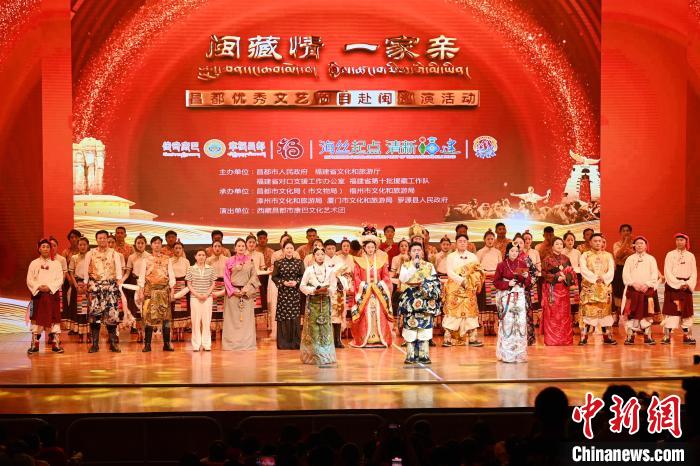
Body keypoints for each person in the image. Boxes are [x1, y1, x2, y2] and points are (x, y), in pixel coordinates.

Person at [398, 242, 442, 364]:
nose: (416, 252)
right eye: (414, 250)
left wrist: (426, 287)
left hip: (425, 298)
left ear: (422, 252)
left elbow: (435, 281)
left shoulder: (429, 266)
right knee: (410, 325)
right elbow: (403, 279)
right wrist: (414, 266)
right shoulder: (405, 265)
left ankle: (424, 354)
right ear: (410, 253)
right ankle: (410, 355)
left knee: (425, 325)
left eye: (418, 250)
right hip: (410, 298)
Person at [350, 226, 393, 348]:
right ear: (364, 248)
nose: (370, 249)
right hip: (365, 293)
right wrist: (366, 286)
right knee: (365, 313)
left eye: (372, 247)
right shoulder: (358, 261)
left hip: (378, 292)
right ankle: (366, 338)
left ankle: (380, 338)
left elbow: (386, 277)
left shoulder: (382, 260)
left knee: (378, 313)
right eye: (368, 247)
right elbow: (356, 278)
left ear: (375, 248)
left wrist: (378, 286)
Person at [85, 230, 124, 353]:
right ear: (96, 240)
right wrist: (86, 284)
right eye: (99, 238)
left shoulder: (114, 253)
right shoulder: (90, 253)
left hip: (110, 287)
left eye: (104, 238)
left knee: (112, 316)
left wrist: (119, 284)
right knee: (94, 316)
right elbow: (86, 270)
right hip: (95, 287)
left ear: (107, 239)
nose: (102, 240)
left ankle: (113, 343)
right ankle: (95, 344)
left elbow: (119, 271)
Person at [443, 234, 485, 347]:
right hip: (454, 288)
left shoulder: (473, 257)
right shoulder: (451, 256)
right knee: (453, 312)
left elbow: (478, 271)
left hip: (469, 288)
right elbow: (449, 272)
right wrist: (461, 281)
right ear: (456, 243)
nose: (462, 243)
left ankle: (472, 337)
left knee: (470, 312)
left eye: (464, 241)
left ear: (467, 243)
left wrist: (471, 280)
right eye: (460, 241)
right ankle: (448, 337)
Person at [494, 243, 531, 363]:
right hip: (507, 295)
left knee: (520, 322)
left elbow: (528, 284)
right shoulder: (501, 265)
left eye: (516, 251)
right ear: (507, 252)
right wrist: (507, 284)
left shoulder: (523, 264)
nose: (514, 253)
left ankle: (520, 354)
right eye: (512, 251)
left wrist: (526, 276)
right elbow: (496, 282)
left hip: (519, 295)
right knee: (508, 322)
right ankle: (507, 354)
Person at [300, 246, 337, 365]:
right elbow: (302, 286)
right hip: (313, 302)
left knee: (325, 328)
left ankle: (326, 355)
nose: (320, 256)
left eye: (322, 254)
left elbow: (334, 286)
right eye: (318, 254)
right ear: (314, 256)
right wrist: (313, 290)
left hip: (325, 302)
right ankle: (313, 355)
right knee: (314, 328)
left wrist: (327, 290)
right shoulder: (309, 270)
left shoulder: (330, 270)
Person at [26, 239, 65, 353]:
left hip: (52, 295)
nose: (45, 249)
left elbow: (60, 279)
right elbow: (29, 279)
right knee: (35, 319)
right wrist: (38, 287)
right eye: (43, 246)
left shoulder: (56, 263)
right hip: (37, 295)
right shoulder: (33, 263)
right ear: (39, 249)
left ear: (50, 249)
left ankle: (55, 344)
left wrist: (49, 287)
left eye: (48, 247)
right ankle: (34, 344)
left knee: (54, 319)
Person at [138, 236, 176, 352]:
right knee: (148, 317)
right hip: (150, 291)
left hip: (164, 291)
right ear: (151, 245)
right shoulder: (146, 260)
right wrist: (141, 291)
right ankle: (147, 344)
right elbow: (141, 277)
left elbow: (171, 275)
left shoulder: (167, 259)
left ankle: (167, 344)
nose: (157, 245)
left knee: (166, 318)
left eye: (159, 243)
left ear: (161, 245)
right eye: (155, 243)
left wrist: (172, 290)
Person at [222, 238, 260, 351]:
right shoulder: (229, 261)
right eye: (239, 246)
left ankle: (247, 343)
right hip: (233, 294)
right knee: (231, 320)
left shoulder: (250, 261)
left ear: (245, 248)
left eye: (243, 246)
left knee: (246, 320)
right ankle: (231, 344)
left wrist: (245, 290)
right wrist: (233, 290)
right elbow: (226, 278)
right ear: (235, 248)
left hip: (246, 294)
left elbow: (254, 277)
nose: (241, 248)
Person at [579, 233, 617, 345]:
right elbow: (583, 269)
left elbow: (611, 270)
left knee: (605, 313)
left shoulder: (608, 255)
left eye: (600, 241)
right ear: (590, 242)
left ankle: (607, 336)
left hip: (604, 288)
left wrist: (604, 278)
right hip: (590, 288)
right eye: (595, 241)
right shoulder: (585, 255)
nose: (598, 243)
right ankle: (584, 336)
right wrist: (595, 278)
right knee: (588, 312)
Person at [621, 236, 659, 345]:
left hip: (647, 291)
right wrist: (633, 283)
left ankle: (648, 336)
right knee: (631, 313)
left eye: (641, 243)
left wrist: (647, 284)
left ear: (646, 246)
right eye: (637, 243)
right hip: (633, 290)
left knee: (647, 313)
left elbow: (654, 274)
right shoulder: (630, 259)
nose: (639, 245)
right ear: (634, 246)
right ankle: (630, 337)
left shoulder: (651, 259)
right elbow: (625, 274)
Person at [661, 233, 697, 345]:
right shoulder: (670, 254)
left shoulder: (690, 256)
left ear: (686, 242)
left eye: (681, 240)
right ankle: (667, 336)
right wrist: (678, 284)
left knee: (686, 312)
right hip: (673, 286)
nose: (679, 242)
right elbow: (667, 271)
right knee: (671, 311)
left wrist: (688, 284)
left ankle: (687, 336)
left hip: (686, 288)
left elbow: (694, 272)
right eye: (677, 240)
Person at [541, 237, 576, 345]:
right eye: (557, 244)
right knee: (552, 314)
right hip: (552, 289)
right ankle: (552, 340)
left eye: (561, 244)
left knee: (564, 314)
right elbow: (544, 274)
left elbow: (572, 273)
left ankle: (565, 339)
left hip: (564, 290)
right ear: (552, 246)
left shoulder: (566, 259)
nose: (559, 246)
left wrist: (566, 277)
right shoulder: (547, 259)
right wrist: (557, 278)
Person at [271, 240, 305, 349]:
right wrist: (283, 282)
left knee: (294, 316)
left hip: (295, 294)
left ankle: (295, 343)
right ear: (283, 250)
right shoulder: (278, 263)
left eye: (291, 248)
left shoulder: (299, 262)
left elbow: (303, 276)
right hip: (283, 293)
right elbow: (274, 277)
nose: (289, 250)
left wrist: (296, 282)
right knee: (283, 316)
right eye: (287, 248)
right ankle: (283, 343)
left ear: (294, 250)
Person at [186, 249, 216, 351]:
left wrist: (206, 294)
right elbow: (189, 284)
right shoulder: (191, 268)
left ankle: (207, 344)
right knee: (195, 322)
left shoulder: (211, 269)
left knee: (207, 321)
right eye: (199, 255)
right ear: (195, 257)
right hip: (195, 298)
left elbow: (213, 283)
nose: (201, 257)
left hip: (208, 298)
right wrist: (197, 295)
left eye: (203, 255)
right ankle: (196, 345)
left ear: (206, 257)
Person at [124, 234, 150, 342]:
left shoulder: (149, 256)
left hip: (146, 283)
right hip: (134, 283)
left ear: (145, 244)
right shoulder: (131, 257)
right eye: (138, 243)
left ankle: (146, 333)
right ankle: (138, 332)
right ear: (135, 244)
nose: (140, 245)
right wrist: (121, 280)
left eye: (142, 243)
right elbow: (127, 273)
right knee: (136, 309)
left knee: (145, 308)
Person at [323, 239, 349, 348]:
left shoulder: (340, 260)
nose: (331, 250)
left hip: (338, 292)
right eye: (328, 248)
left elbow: (347, 275)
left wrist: (339, 279)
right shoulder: (321, 259)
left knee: (338, 315)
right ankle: (326, 340)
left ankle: (337, 340)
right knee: (326, 315)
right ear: (324, 249)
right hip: (326, 292)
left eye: (333, 248)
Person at [476, 229, 502, 336]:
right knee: (485, 304)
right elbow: (476, 267)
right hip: (484, 280)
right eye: (488, 239)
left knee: (493, 305)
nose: (490, 241)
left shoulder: (498, 252)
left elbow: (500, 267)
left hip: (494, 281)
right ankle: (486, 327)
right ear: (484, 240)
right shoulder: (480, 252)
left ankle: (492, 327)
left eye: (492, 239)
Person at [68, 236, 91, 342]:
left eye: (84, 245)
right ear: (78, 246)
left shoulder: (91, 257)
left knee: (89, 310)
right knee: (80, 310)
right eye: (80, 245)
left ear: (88, 246)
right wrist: (76, 285)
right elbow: (71, 272)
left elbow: (93, 272)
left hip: (89, 285)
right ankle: (80, 334)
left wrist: (87, 284)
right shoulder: (74, 258)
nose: (82, 247)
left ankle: (90, 334)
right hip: (78, 285)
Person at [206, 240, 228, 340]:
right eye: (215, 246)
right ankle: (213, 332)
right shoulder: (208, 260)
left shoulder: (227, 259)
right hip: (213, 285)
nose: (217, 248)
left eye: (219, 246)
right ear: (212, 248)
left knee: (224, 309)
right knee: (213, 309)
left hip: (224, 285)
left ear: (222, 248)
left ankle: (224, 332)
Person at [61, 229, 81, 334]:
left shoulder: (83, 250)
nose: (74, 239)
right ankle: (71, 326)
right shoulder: (65, 252)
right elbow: (64, 268)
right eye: (71, 237)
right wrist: (70, 280)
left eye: (76, 237)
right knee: (70, 303)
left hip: (80, 280)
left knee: (81, 304)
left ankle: (81, 326)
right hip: (68, 280)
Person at [612, 224, 634, 320]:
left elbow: (634, 255)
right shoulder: (616, 244)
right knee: (618, 292)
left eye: (627, 230)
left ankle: (630, 314)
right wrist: (625, 243)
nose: (626, 232)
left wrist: (626, 252)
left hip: (632, 270)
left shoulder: (635, 244)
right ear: (620, 233)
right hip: (620, 269)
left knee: (631, 291)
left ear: (630, 232)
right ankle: (617, 315)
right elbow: (617, 255)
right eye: (623, 231)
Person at [170, 241, 191, 342]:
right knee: (172, 310)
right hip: (172, 286)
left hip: (183, 286)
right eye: (176, 248)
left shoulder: (186, 261)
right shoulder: (169, 261)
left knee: (183, 310)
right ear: (173, 249)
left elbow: (189, 275)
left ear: (182, 250)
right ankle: (174, 332)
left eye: (180, 248)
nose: (178, 250)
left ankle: (181, 332)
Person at [562, 232, 582, 323]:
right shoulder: (561, 252)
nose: (570, 242)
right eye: (568, 240)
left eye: (572, 240)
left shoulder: (577, 252)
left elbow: (580, 265)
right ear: (564, 241)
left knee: (576, 297)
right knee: (567, 298)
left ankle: (576, 318)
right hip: (565, 277)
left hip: (576, 277)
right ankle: (568, 318)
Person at [256, 230, 274, 311]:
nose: (262, 240)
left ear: (267, 239)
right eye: (260, 238)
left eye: (264, 238)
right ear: (257, 240)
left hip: (269, 277)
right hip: (258, 277)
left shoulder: (272, 252)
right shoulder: (255, 251)